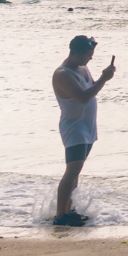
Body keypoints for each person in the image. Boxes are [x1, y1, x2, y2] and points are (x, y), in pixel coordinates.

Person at [51, 35, 115, 227]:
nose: (91, 58)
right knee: (72, 170)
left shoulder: (82, 67)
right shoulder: (63, 74)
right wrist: (105, 78)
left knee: (76, 171)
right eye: (89, 54)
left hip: (87, 125)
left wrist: (103, 78)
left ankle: (69, 210)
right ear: (76, 53)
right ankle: (60, 215)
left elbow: (91, 87)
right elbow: (82, 97)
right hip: (74, 127)